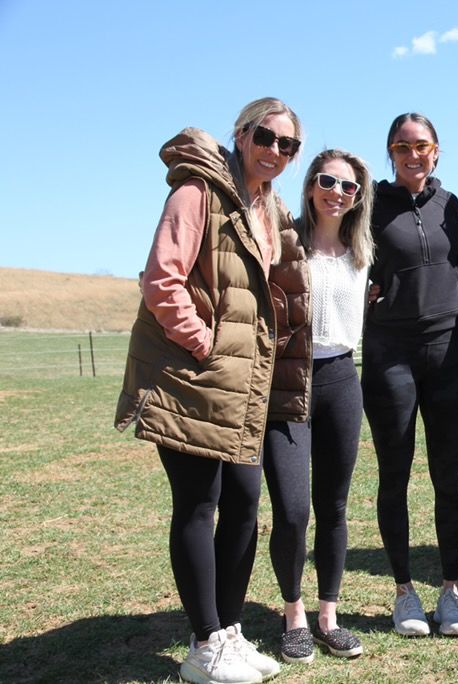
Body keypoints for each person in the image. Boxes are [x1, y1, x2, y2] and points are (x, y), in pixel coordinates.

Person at [115, 97, 305, 684]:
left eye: (288, 145)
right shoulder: (198, 191)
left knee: (246, 501)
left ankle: (228, 631)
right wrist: (203, 344)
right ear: (242, 134)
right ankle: (203, 648)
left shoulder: (269, 209)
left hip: (239, 386)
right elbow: (161, 279)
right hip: (190, 377)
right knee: (199, 505)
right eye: (267, 138)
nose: (276, 151)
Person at [362, 113, 458, 637]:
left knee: (449, 478)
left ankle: (450, 591)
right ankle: (404, 592)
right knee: (396, 475)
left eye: (422, 145)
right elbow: (337, 256)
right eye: (402, 146)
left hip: (450, 354)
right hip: (392, 354)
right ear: (390, 151)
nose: (413, 154)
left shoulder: (451, 206)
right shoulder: (370, 205)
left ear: (436, 151)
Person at [263, 149, 374, 663]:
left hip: (342, 380)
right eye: (328, 181)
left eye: (348, 186)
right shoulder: (285, 243)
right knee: (292, 508)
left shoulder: (362, 251)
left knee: (333, 506)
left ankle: (328, 617)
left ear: (358, 197)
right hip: (287, 382)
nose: (337, 192)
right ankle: (294, 615)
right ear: (310, 186)